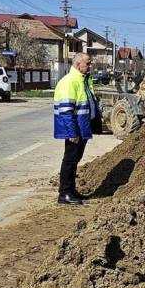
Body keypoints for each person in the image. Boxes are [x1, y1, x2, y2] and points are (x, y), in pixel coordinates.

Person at [54, 53, 102, 205]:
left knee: (75, 160)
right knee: (69, 160)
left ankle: (71, 190)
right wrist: (71, 132)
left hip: (82, 127)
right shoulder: (70, 82)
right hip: (75, 129)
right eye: (87, 63)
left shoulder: (84, 80)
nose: (90, 66)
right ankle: (64, 194)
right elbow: (66, 110)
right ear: (77, 64)